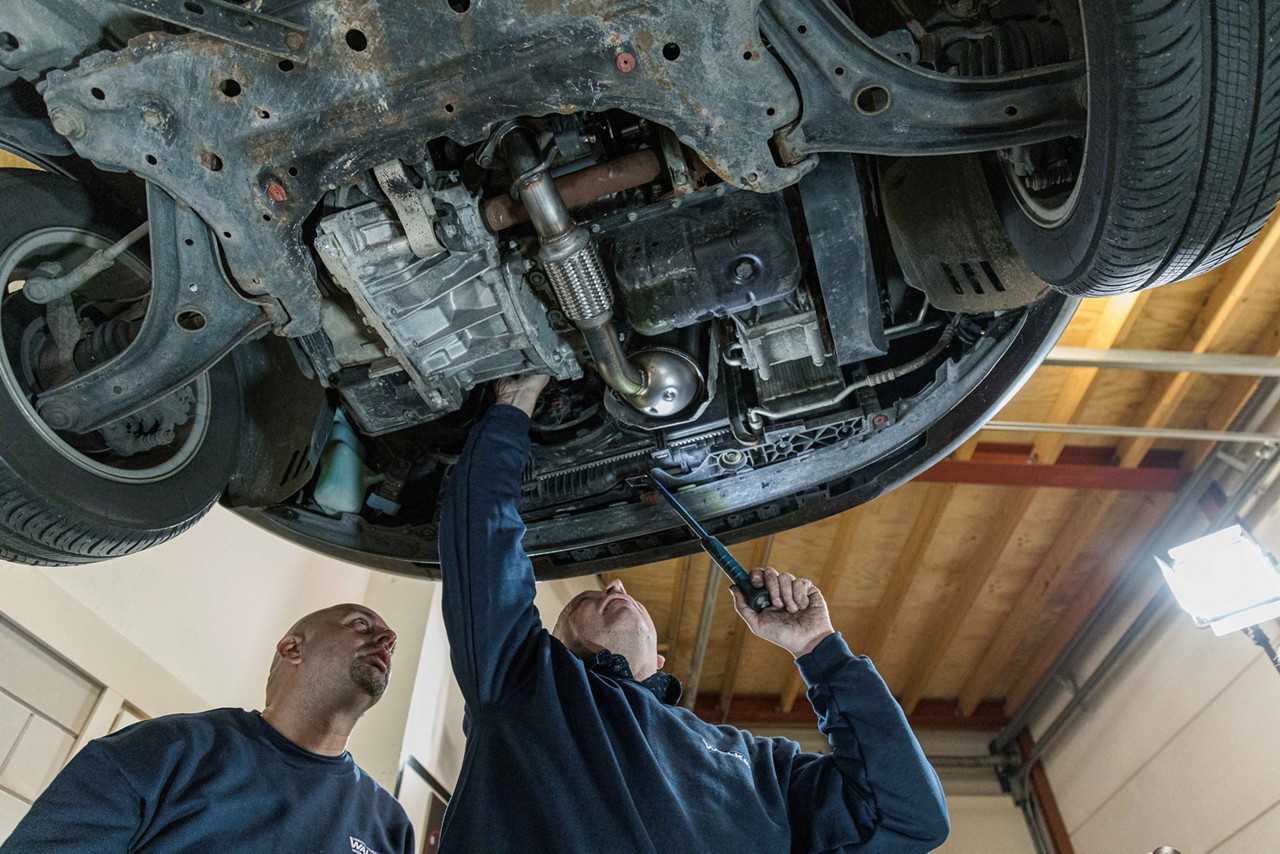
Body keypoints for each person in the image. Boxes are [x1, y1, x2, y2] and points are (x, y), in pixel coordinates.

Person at [438, 374, 950, 852]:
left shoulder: (761, 768)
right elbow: (483, 547)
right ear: (556, 645)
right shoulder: (527, 684)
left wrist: (819, 650)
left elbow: (909, 817)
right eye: (583, 602)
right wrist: (511, 409)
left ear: (661, 662)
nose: (615, 584)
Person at [2, 603, 414, 853]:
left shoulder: (390, 827)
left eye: (390, 644)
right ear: (293, 648)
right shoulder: (160, 750)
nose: (388, 639)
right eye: (360, 624)